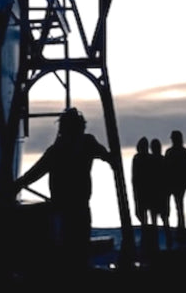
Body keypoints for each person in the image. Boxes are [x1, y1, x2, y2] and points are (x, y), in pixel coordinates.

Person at [13, 108, 113, 268]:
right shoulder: (84, 144)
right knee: (76, 252)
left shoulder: (59, 150)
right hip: (74, 209)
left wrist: (16, 186)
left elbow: (34, 173)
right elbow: (107, 156)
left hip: (65, 209)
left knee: (68, 252)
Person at [164, 130, 186, 237]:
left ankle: (179, 229)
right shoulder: (183, 152)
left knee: (178, 207)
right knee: (178, 207)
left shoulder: (172, 152)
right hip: (177, 183)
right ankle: (180, 228)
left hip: (176, 183)